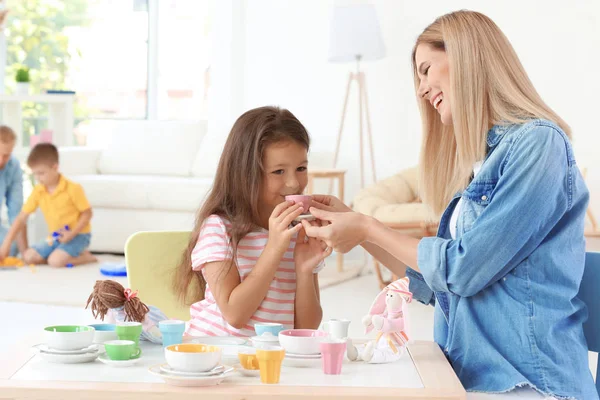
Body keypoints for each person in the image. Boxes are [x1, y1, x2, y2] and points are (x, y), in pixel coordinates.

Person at [302, 10, 597, 399]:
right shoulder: (480, 165)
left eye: (426, 70)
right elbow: (433, 282)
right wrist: (356, 229)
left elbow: (462, 269)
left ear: (465, 56)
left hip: (530, 383)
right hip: (472, 378)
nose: (421, 89)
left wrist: (369, 226)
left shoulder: (539, 145)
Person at [173, 106, 331, 337]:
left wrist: (305, 269)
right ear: (245, 174)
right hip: (215, 352)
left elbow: (306, 328)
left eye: (301, 168)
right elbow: (235, 315)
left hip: (268, 358)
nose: (294, 184)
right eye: (278, 171)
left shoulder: (299, 231)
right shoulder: (219, 228)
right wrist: (275, 247)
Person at [0, 143, 97, 267]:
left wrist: (71, 234)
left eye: (41, 173)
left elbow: (87, 213)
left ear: (55, 167)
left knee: (55, 262)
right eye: (34, 174)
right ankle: (61, 254)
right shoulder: (39, 190)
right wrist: (6, 244)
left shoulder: (73, 188)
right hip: (56, 236)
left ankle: (86, 257)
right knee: (28, 257)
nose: (37, 178)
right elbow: (21, 218)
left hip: (78, 235)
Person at [0, 125, 27, 257]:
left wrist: (25, 254)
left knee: (12, 247)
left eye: (6, 155)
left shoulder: (13, 166)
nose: (1, 160)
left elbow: (16, 211)